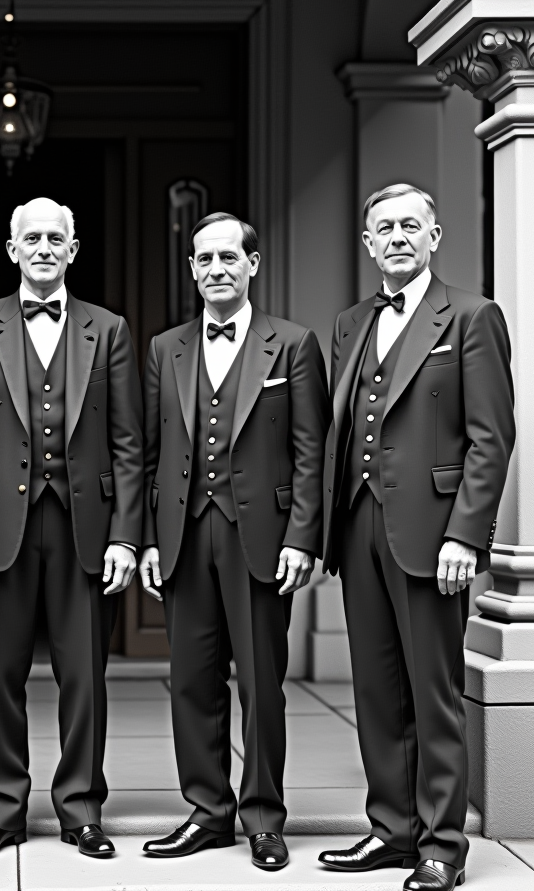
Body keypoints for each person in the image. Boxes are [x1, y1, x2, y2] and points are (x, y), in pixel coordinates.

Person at [318, 184, 514, 891]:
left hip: (434, 536)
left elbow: (491, 439)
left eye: (410, 225)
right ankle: (391, 829)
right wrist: (320, 535)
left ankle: (441, 845)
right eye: (384, 228)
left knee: (432, 692)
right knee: (375, 688)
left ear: (435, 236)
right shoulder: (350, 324)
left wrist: (468, 534)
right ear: (368, 244)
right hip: (359, 524)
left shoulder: (471, 316)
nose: (397, 236)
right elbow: (339, 433)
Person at [0, 197, 143, 859]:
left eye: (56, 238)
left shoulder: (109, 329)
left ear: (74, 249)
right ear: (12, 249)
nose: (44, 248)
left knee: (83, 676)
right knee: (0, 675)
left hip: (84, 523)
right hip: (0, 526)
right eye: (32, 238)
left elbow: (127, 444)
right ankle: (3, 810)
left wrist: (124, 535)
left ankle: (81, 808)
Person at [138, 212, 328, 871]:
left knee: (261, 682)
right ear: (191, 269)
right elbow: (150, 451)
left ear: (252, 265)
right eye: (204, 259)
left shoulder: (294, 344)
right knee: (191, 680)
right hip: (185, 534)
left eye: (228, 257)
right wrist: (148, 540)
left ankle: (265, 817)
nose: (216, 269)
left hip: (264, 538)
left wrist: (303, 536)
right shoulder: (165, 348)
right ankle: (207, 811)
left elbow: (312, 451)